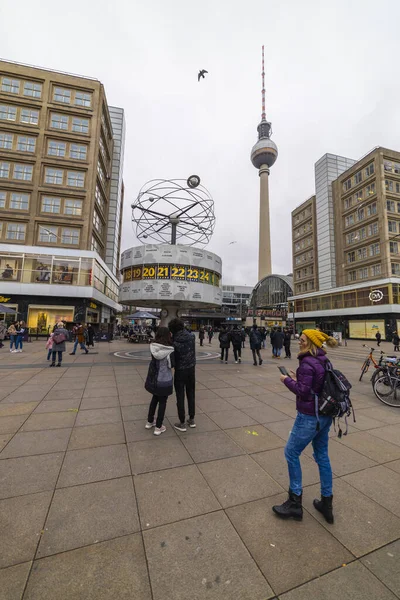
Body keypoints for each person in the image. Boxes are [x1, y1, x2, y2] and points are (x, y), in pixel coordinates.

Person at [272, 329, 338, 523]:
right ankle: (327, 502)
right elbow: (317, 385)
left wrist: (287, 381)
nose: (298, 342)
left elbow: (304, 392)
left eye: (302, 340)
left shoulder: (307, 363)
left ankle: (294, 502)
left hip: (309, 417)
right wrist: (298, 378)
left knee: (291, 452)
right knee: (322, 456)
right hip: (325, 416)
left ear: (310, 342)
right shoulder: (323, 360)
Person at [144, 327, 175, 435]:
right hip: (164, 379)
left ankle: (149, 421)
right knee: (162, 402)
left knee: (154, 399)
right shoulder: (170, 350)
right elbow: (171, 365)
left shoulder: (153, 347)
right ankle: (158, 426)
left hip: (154, 379)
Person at [168, 318, 196, 432]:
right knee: (191, 393)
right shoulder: (192, 337)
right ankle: (192, 419)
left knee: (180, 396)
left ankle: (182, 422)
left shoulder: (173, 342)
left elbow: (172, 362)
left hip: (180, 371)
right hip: (191, 369)